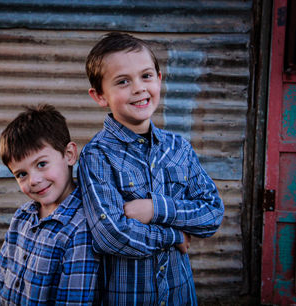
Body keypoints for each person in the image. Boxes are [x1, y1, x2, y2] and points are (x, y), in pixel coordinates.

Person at [78, 32, 224, 305]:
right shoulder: (97, 156)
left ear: (159, 78)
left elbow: (212, 214)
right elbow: (112, 235)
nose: (138, 88)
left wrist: (155, 208)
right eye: (123, 81)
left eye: (146, 76)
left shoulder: (178, 148)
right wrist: (174, 234)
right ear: (99, 96)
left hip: (180, 294)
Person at [0, 104, 101, 305]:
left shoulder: (79, 229)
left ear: (69, 155)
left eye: (41, 164)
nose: (33, 180)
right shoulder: (21, 217)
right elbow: (0, 280)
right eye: (22, 174)